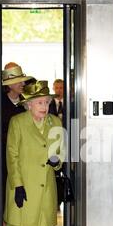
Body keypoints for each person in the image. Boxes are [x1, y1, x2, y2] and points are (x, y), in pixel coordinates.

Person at [4, 80, 64, 226]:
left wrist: (57, 160)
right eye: (39, 102)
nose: (44, 106)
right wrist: (18, 185)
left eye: (46, 102)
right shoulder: (17, 122)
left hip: (46, 186)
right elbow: (12, 156)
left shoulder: (55, 122)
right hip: (23, 186)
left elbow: (60, 155)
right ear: (28, 104)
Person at [1, 62, 33, 226]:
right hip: (3, 160)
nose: (22, 83)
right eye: (17, 81)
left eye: (21, 80)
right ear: (9, 85)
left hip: (26, 161)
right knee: (3, 202)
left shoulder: (28, 103)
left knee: (26, 206)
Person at [48, 79, 65, 210]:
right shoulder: (48, 105)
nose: (59, 90)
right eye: (57, 88)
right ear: (53, 88)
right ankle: (56, 201)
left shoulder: (72, 104)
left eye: (61, 88)